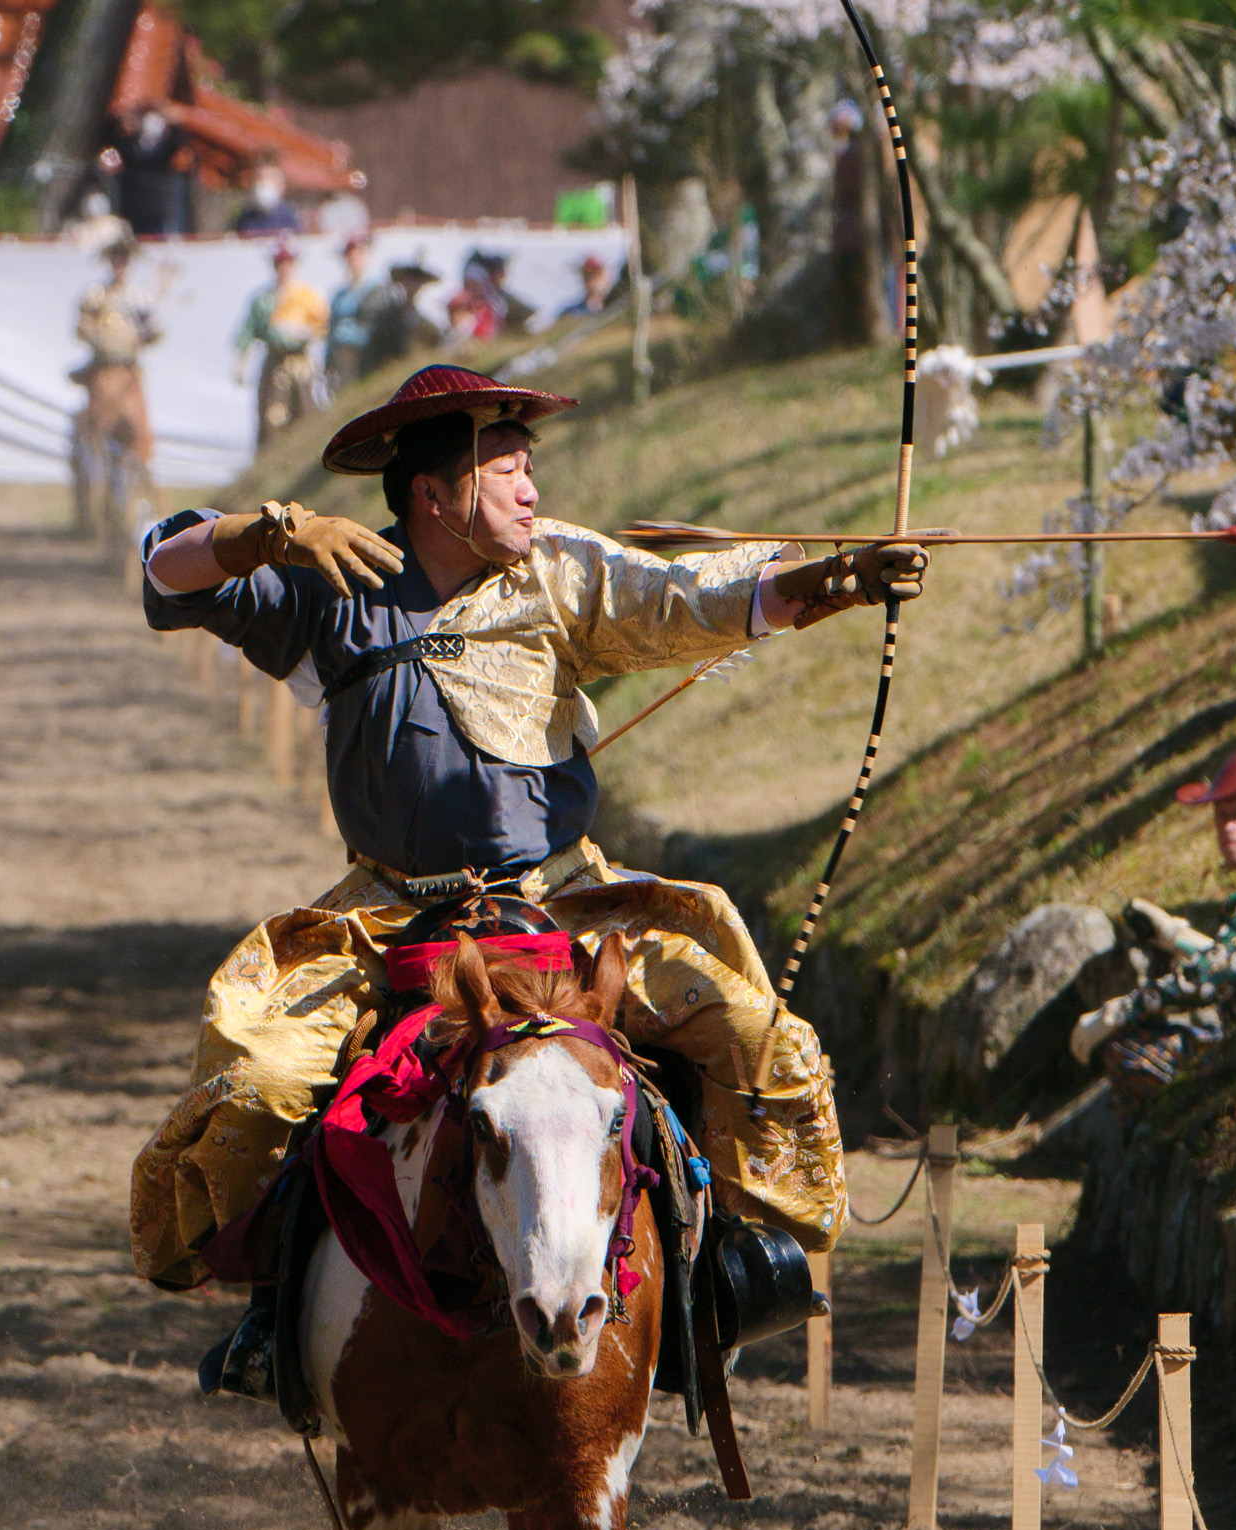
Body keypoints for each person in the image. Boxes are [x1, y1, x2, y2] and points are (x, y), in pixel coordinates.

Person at [131, 363, 930, 1379]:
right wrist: (268, 533)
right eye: (504, 468)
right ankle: (275, 1309)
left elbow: (689, 596)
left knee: (747, 1030)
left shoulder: (557, 572)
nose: (529, 488)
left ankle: (730, 1273)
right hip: (389, 922)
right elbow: (165, 571)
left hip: (559, 907)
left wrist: (828, 584)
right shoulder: (334, 588)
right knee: (262, 1078)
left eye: (527, 467)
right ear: (435, 493)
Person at [1070, 749, 1236, 1104]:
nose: (1228, 826)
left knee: (1132, 1051)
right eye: (1221, 815)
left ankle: (1168, 1151)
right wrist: (1176, 935)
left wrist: (1116, 1012)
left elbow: (1211, 975)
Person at [72, 235, 160, 480]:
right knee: (101, 429)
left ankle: (140, 488)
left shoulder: (138, 297)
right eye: (116, 259)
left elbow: (155, 331)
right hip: (103, 373)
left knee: (137, 430)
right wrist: (98, 334)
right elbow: (81, 328)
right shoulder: (96, 295)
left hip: (129, 373)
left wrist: (143, 333)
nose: (119, 265)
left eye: (123, 260)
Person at [235, 240, 328, 449]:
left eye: (288, 263)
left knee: (305, 415)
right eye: (279, 263)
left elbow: (322, 326)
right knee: (272, 419)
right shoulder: (262, 299)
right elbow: (247, 330)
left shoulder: (308, 295)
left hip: (300, 364)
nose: (283, 268)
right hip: (274, 365)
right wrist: (240, 360)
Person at [113, 105, 192, 238]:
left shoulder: (167, 148)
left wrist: (173, 126)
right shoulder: (128, 146)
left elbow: (175, 144)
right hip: (133, 202)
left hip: (159, 204)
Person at [325, 234, 383, 392]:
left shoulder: (377, 290)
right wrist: (328, 361)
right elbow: (331, 330)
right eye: (349, 257)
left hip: (367, 358)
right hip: (342, 360)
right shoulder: (340, 295)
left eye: (357, 256)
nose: (353, 261)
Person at [362, 260, 442, 373]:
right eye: (409, 280)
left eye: (416, 281)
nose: (412, 284)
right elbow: (372, 355)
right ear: (402, 282)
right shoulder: (386, 321)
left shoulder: (429, 328)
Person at [236, 158, 302, 239]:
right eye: (260, 180)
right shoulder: (246, 218)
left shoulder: (290, 217)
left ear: (281, 185)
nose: (264, 184)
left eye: (270, 179)